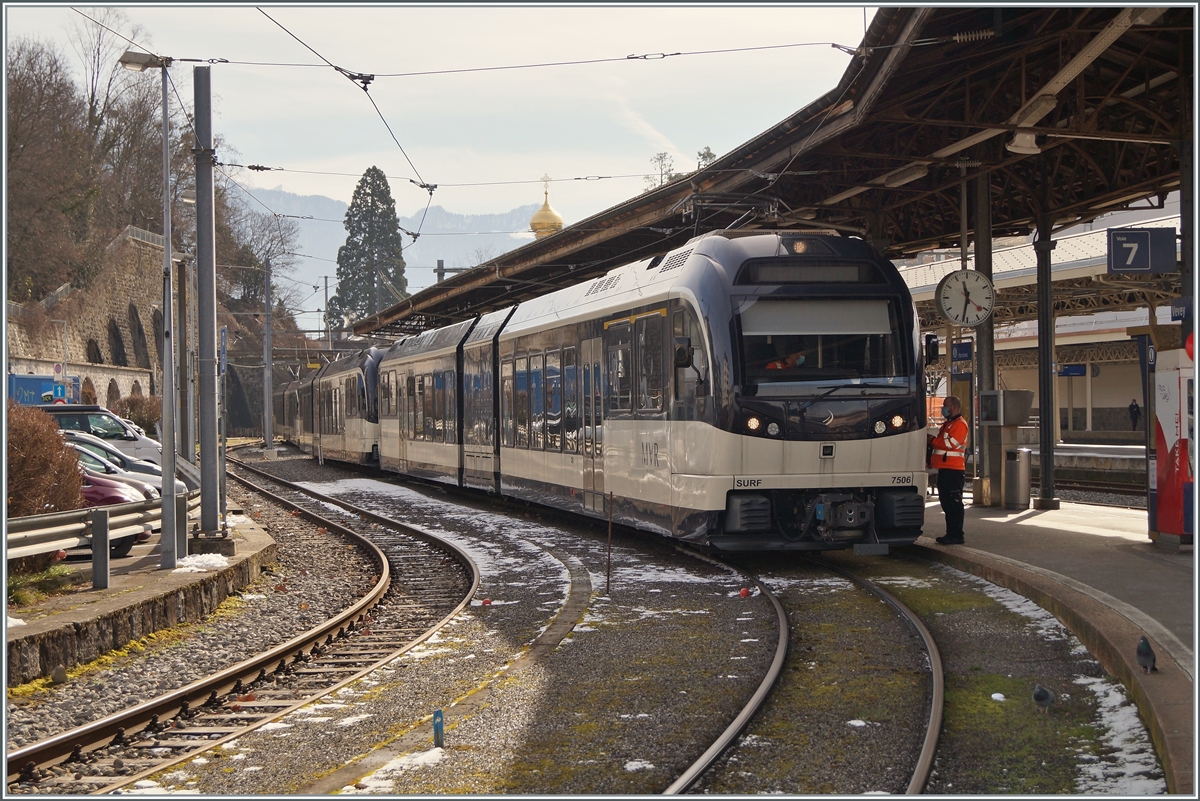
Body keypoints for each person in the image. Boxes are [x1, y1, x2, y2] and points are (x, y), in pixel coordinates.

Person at [929, 395, 968, 545]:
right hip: (946, 469)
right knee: (947, 503)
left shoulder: (959, 424)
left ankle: (957, 535)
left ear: (954, 407)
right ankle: (951, 533)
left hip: (954, 470)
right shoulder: (949, 424)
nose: (942, 408)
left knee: (953, 504)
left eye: (945, 405)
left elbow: (949, 444)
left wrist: (931, 440)